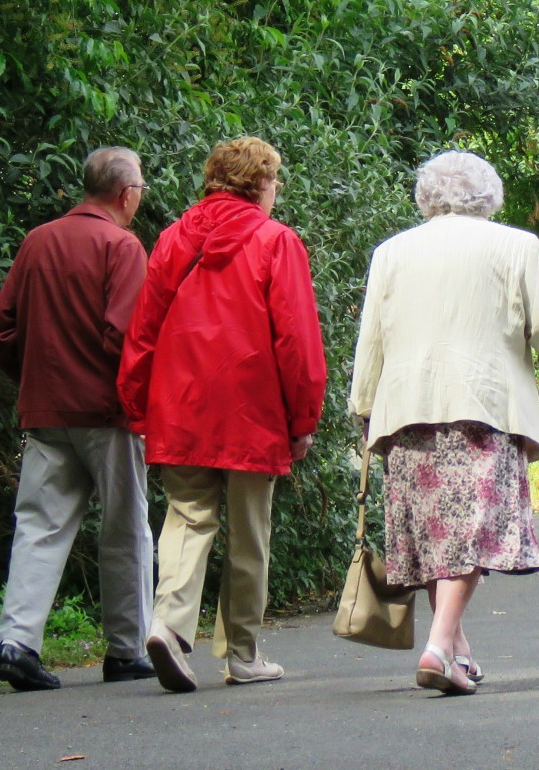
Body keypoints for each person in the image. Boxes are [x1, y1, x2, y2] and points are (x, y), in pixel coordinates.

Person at [349, 150, 539, 696]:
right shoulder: (516, 245)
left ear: (427, 195)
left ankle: (456, 651)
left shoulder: (392, 252)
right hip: (483, 404)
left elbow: (372, 337)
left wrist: (364, 405)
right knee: (472, 529)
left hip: (407, 407)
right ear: (488, 195)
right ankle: (438, 643)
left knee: (435, 532)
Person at [119, 136, 327, 693]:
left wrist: (138, 404)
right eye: (275, 179)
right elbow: (296, 340)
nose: (277, 189)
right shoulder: (276, 242)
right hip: (251, 408)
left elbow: (143, 331)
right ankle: (243, 655)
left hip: (180, 403)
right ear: (258, 182)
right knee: (249, 532)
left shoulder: (170, 240)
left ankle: (167, 623)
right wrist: (302, 419)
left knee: (188, 516)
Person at [0, 147, 155, 691]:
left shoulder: (38, 240)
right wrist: (143, 401)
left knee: (38, 526)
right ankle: (126, 650)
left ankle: (17, 644)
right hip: (107, 413)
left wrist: (35, 377)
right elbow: (125, 337)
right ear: (126, 194)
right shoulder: (122, 246)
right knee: (125, 529)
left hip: (46, 410)